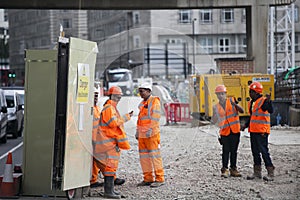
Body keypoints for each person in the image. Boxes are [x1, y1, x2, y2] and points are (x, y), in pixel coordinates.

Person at [92, 86, 133, 199]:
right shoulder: (109, 108)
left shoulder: (110, 107)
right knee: (110, 167)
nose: (118, 99)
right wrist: (126, 117)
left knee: (110, 167)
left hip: (109, 142)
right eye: (117, 96)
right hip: (108, 143)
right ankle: (108, 191)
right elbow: (113, 124)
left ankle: (110, 190)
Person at [242, 82, 275, 181]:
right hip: (253, 131)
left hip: (262, 132)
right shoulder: (252, 102)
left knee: (264, 151)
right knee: (255, 152)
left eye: (251, 92)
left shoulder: (263, 101)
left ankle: (270, 171)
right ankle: (257, 173)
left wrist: (269, 102)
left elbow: (270, 110)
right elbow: (252, 117)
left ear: (256, 92)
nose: (249, 94)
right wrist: (245, 125)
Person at [135, 82, 165, 188]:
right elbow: (140, 120)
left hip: (152, 135)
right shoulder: (143, 103)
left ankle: (159, 178)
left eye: (142, 91)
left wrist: (150, 129)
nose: (140, 93)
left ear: (148, 91)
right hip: (143, 135)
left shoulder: (154, 101)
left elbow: (155, 117)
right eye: (139, 91)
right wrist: (138, 131)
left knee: (155, 156)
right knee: (144, 158)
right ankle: (148, 178)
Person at [212, 85, 244, 178]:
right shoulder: (216, 107)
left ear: (225, 94)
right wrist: (214, 115)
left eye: (222, 93)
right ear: (217, 95)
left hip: (234, 130)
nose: (221, 96)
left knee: (234, 151)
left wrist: (235, 105)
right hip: (224, 132)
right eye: (219, 94)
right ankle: (224, 169)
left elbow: (242, 111)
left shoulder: (232, 101)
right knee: (225, 151)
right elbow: (214, 121)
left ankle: (233, 169)